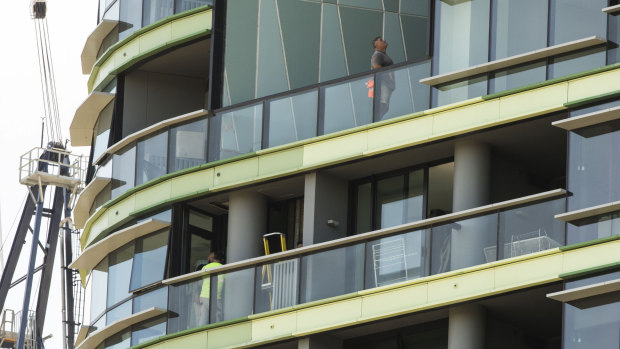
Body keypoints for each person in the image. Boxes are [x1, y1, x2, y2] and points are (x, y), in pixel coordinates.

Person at [197, 251, 224, 325]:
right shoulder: (223, 268)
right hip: (215, 297)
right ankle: (216, 329)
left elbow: (201, 277)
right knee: (217, 314)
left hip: (203, 296)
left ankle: (200, 330)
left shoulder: (205, 267)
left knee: (204, 315)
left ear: (212, 259)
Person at [371, 36, 395, 119]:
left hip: (387, 84)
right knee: (383, 104)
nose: (384, 40)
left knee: (385, 106)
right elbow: (376, 67)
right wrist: (388, 77)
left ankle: (378, 119)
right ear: (376, 45)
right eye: (380, 40)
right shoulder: (377, 55)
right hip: (383, 84)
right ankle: (377, 120)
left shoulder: (383, 55)